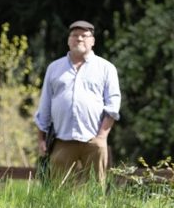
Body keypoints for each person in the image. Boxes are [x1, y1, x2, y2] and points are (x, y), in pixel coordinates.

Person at [34, 20, 121, 185]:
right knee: (58, 192)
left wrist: (101, 137)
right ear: (68, 40)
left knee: (95, 192)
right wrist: (41, 140)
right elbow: (44, 107)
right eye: (74, 35)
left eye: (84, 35)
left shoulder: (106, 68)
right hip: (62, 141)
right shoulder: (54, 68)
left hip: (94, 141)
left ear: (93, 41)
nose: (79, 39)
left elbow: (113, 106)